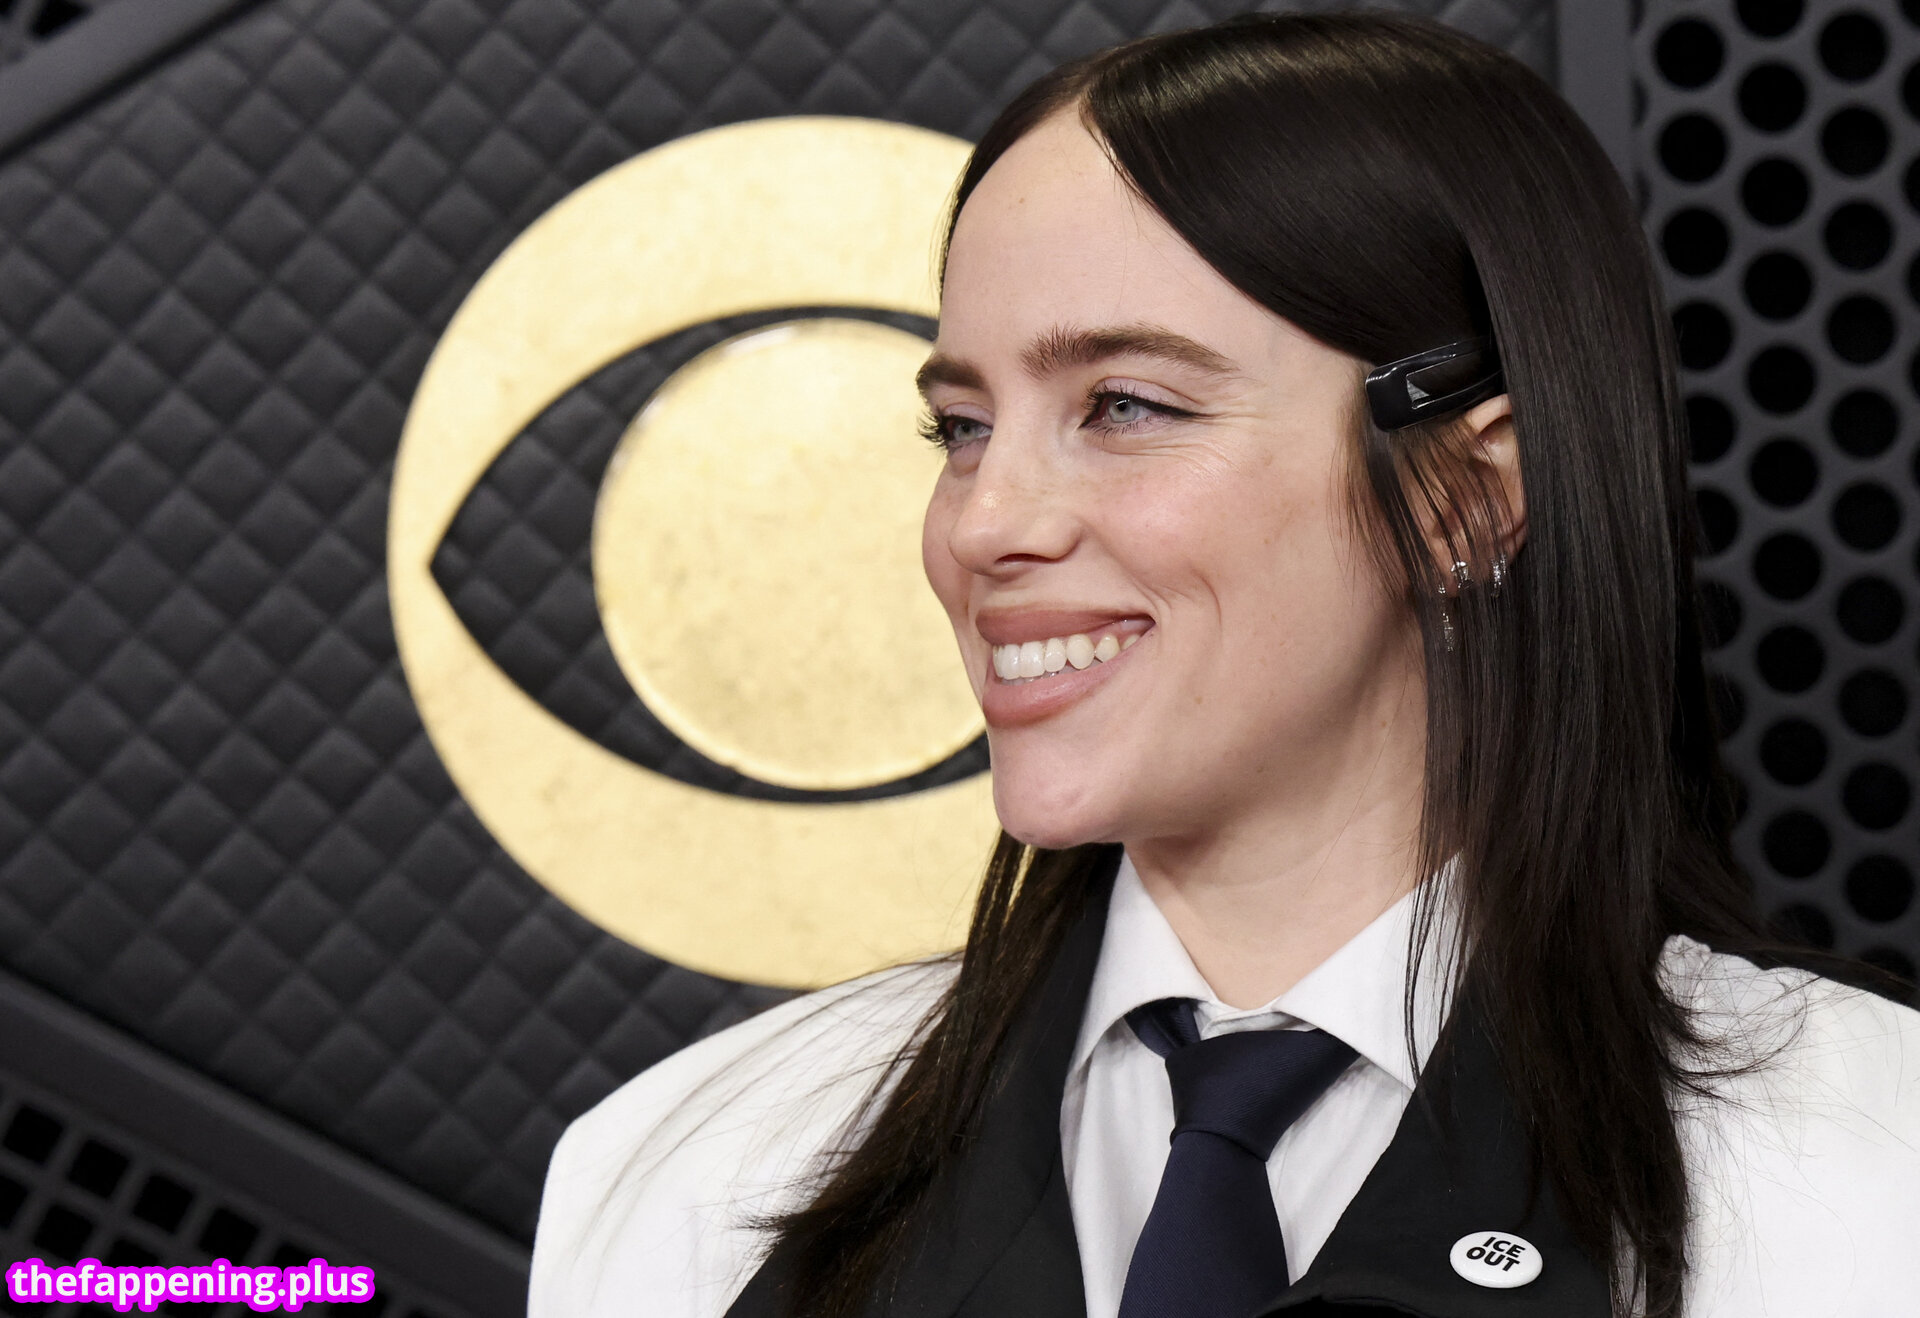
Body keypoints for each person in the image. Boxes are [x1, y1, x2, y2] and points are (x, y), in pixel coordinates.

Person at [529, 14, 1920, 1318]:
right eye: (961, 426)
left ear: (1468, 495)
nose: (985, 523)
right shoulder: (695, 1172)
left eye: (1125, 406)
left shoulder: (1870, 1172)